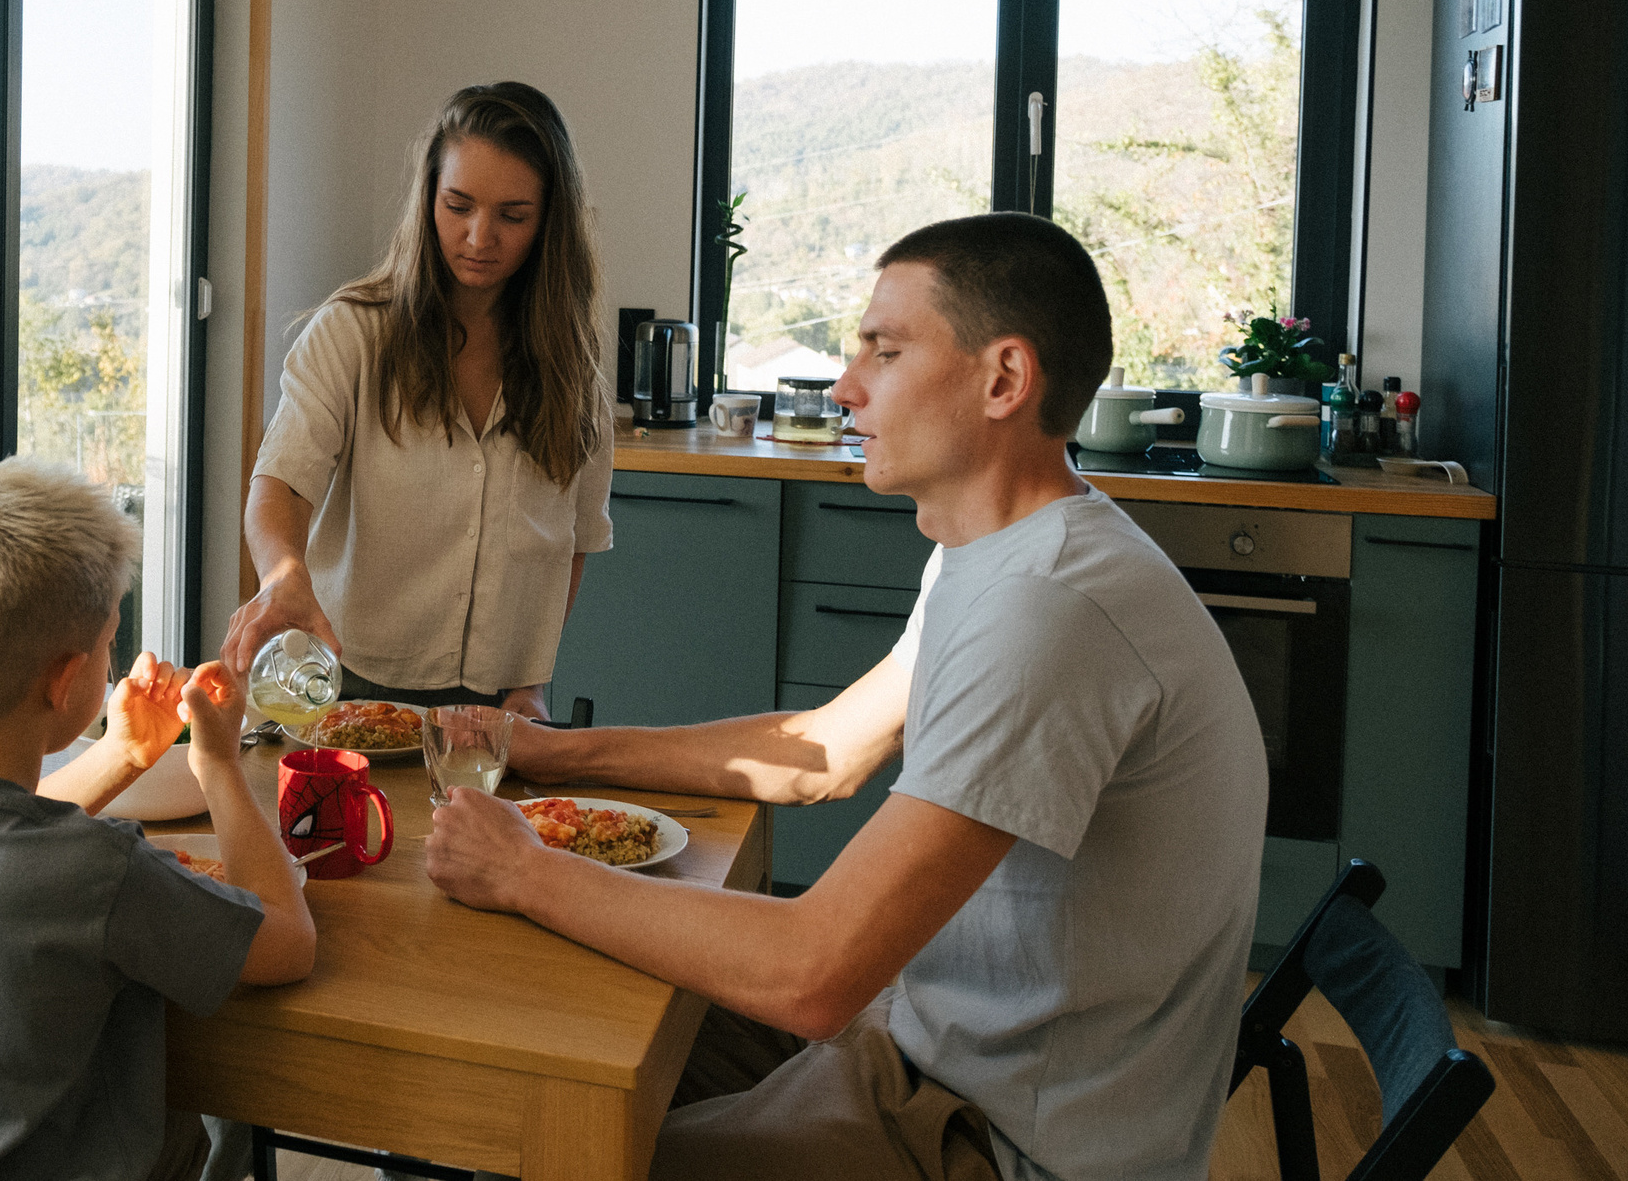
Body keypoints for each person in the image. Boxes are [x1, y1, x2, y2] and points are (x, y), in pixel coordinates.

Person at [424, 213, 1269, 1181]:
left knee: (553, 1144)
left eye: (885, 350)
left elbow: (814, 974)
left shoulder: (1051, 611)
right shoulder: (990, 552)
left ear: (1003, 379)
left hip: (993, 1139)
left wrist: (524, 870)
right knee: (566, 1031)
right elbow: (818, 753)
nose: (845, 385)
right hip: (922, 1046)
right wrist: (549, 753)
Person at [0, 459, 315, 1181]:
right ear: (65, 679)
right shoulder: (99, 869)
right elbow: (288, 941)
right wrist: (217, 762)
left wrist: (123, 754)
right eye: (110, 640)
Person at [222, 81, 614, 718]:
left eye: (513, 216)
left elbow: (571, 541)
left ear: (549, 222)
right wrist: (283, 574)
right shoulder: (353, 332)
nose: (479, 236)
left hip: (496, 708)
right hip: (347, 686)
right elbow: (282, 484)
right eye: (458, 205)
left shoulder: (573, 370)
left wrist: (532, 680)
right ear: (429, 194)